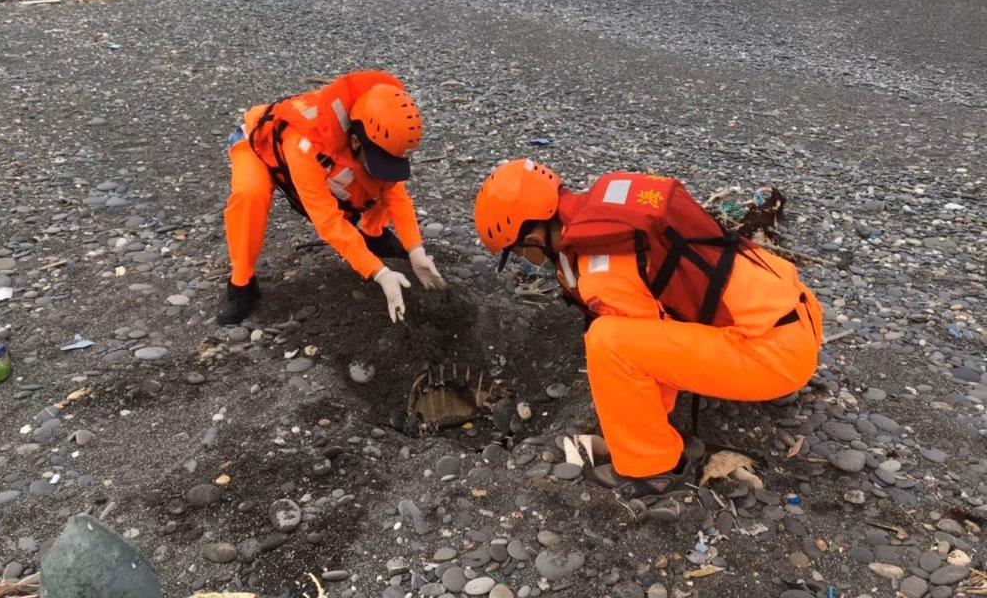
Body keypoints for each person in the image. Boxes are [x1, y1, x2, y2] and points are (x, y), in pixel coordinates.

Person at [473, 160, 822, 504]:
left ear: (533, 237)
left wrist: (632, 426)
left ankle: (650, 468)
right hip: (796, 312)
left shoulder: (601, 271)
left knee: (607, 341)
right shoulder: (609, 209)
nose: (526, 259)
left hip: (774, 354)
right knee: (623, 339)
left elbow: (644, 354)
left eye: (519, 252)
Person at [218, 70, 447, 325]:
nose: (386, 169)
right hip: (259, 145)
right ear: (355, 140)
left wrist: (416, 249)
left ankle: (374, 235)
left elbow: (395, 194)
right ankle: (242, 282)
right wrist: (379, 272)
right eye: (380, 159)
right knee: (250, 194)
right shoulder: (307, 147)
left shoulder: (379, 125)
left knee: (375, 178)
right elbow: (328, 222)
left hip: (336, 155)